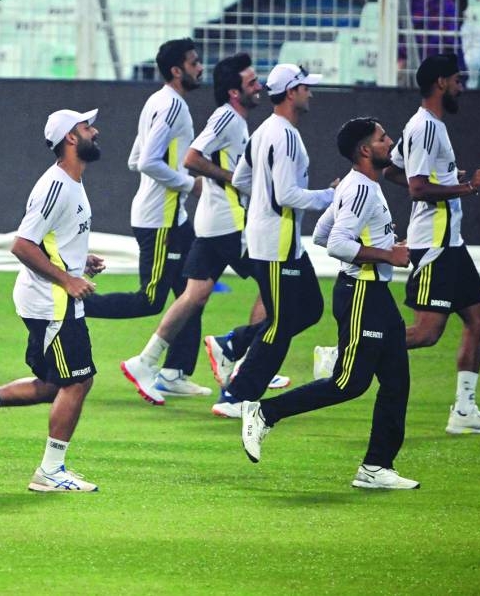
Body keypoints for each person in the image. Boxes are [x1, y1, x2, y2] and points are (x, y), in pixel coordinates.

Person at [240, 117, 420, 490]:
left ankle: (376, 467)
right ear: (365, 150)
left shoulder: (360, 185)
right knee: (348, 384)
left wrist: (382, 246)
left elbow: (322, 232)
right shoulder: (361, 189)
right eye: (383, 138)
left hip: (376, 297)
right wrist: (387, 256)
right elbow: (337, 244)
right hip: (360, 295)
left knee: (397, 382)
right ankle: (264, 411)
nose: (391, 142)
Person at [0, 108, 105, 493]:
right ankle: (50, 471)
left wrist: (83, 261)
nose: (94, 131)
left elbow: (54, 240)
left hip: (52, 299)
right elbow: (22, 244)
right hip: (51, 303)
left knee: (54, 384)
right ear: (70, 138)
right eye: (86, 127)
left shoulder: (73, 182)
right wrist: (67, 279)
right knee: (79, 381)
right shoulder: (55, 186)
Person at [121, 53, 280, 407]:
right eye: (252, 82)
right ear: (235, 91)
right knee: (279, 286)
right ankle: (243, 360)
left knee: (194, 295)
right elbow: (190, 159)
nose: (260, 87)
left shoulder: (228, 119)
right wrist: (232, 180)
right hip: (228, 224)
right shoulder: (223, 117)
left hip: (208, 224)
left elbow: (139, 158)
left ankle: (146, 362)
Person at [84, 38, 204, 405]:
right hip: (159, 220)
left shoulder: (158, 101)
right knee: (152, 299)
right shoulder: (171, 107)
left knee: (192, 293)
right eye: (194, 62)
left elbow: (136, 158)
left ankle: (174, 372)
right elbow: (149, 161)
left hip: (174, 217)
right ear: (176, 70)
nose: (201, 67)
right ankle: (79, 306)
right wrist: (189, 183)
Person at [217, 64, 337, 418]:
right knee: (282, 323)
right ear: (290, 92)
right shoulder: (284, 135)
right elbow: (287, 194)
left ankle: (236, 342)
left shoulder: (264, 130)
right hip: (277, 242)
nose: (310, 93)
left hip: (277, 240)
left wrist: (262, 204)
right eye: (304, 87)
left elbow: (240, 179)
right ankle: (237, 395)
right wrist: (330, 196)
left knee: (311, 307)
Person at [393, 54, 480, 433]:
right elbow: (416, 187)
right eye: (457, 80)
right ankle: (348, 350)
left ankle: (464, 411)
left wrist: (452, 179)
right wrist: (467, 186)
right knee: (426, 333)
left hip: (451, 242)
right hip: (436, 245)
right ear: (441, 82)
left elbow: (394, 167)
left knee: (478, 319)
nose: (461, 86)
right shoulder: (425, 127)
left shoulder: (429, 126)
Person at [399, 0, 465, 76]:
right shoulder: (407, 3)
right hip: (409, 60)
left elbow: (450, 38)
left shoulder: (446, 3)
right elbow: (400, 34)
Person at [443, 0, 480, 86]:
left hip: (465, 89)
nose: (448, 5)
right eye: (445, 2)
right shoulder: (433, 29)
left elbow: (474, 63)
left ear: (465, 5)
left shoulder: (478, 32)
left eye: (453, 1)